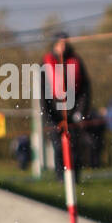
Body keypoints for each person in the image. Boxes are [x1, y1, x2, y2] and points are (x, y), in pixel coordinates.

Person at [40, 31, 91, 182]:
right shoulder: (46, 63)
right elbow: (43, 92)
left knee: (74, 146)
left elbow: (85, 89)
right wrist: (48, 116)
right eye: (60, 43)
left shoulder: (76, 61)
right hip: (54, 114)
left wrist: (81, 111)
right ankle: (60, 178)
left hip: (73, 111)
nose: (63, 46)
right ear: (55, 45)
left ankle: (75, 178)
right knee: (58, 147)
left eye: (65, 43)